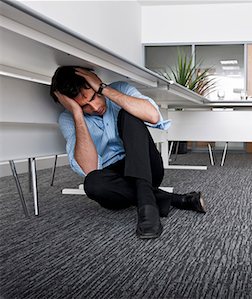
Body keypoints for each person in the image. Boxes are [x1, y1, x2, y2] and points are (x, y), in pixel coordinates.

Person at [50, 66, 206, 239]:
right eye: (84, 106)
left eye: (94, 96)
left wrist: (104, 89)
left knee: (129, 113)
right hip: (115, 180)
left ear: (95, 83)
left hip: (146, 166)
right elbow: (89, 168)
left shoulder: (120, 90)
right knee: (93, 183)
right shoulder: (68, 119)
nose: (94, 107)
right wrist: (78, 114)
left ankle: (148, 208)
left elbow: (153, 116)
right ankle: (176, 199)